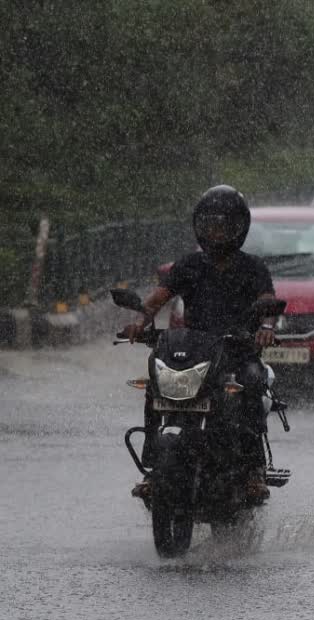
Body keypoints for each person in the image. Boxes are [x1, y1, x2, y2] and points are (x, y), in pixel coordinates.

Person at [122, 185, 279, 501]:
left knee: (250, 383)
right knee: (155, 386)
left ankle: (252, 470)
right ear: (199, 226)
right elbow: (159, 298)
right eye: (210, 224)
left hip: (238, 350)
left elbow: (268, 304)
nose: (217, 232)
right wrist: (141, 321)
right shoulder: (190, 265)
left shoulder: (253, 267)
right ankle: (153, 468)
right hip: (194, 350)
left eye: (224, 224)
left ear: (240, 227)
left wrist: (265, 326)